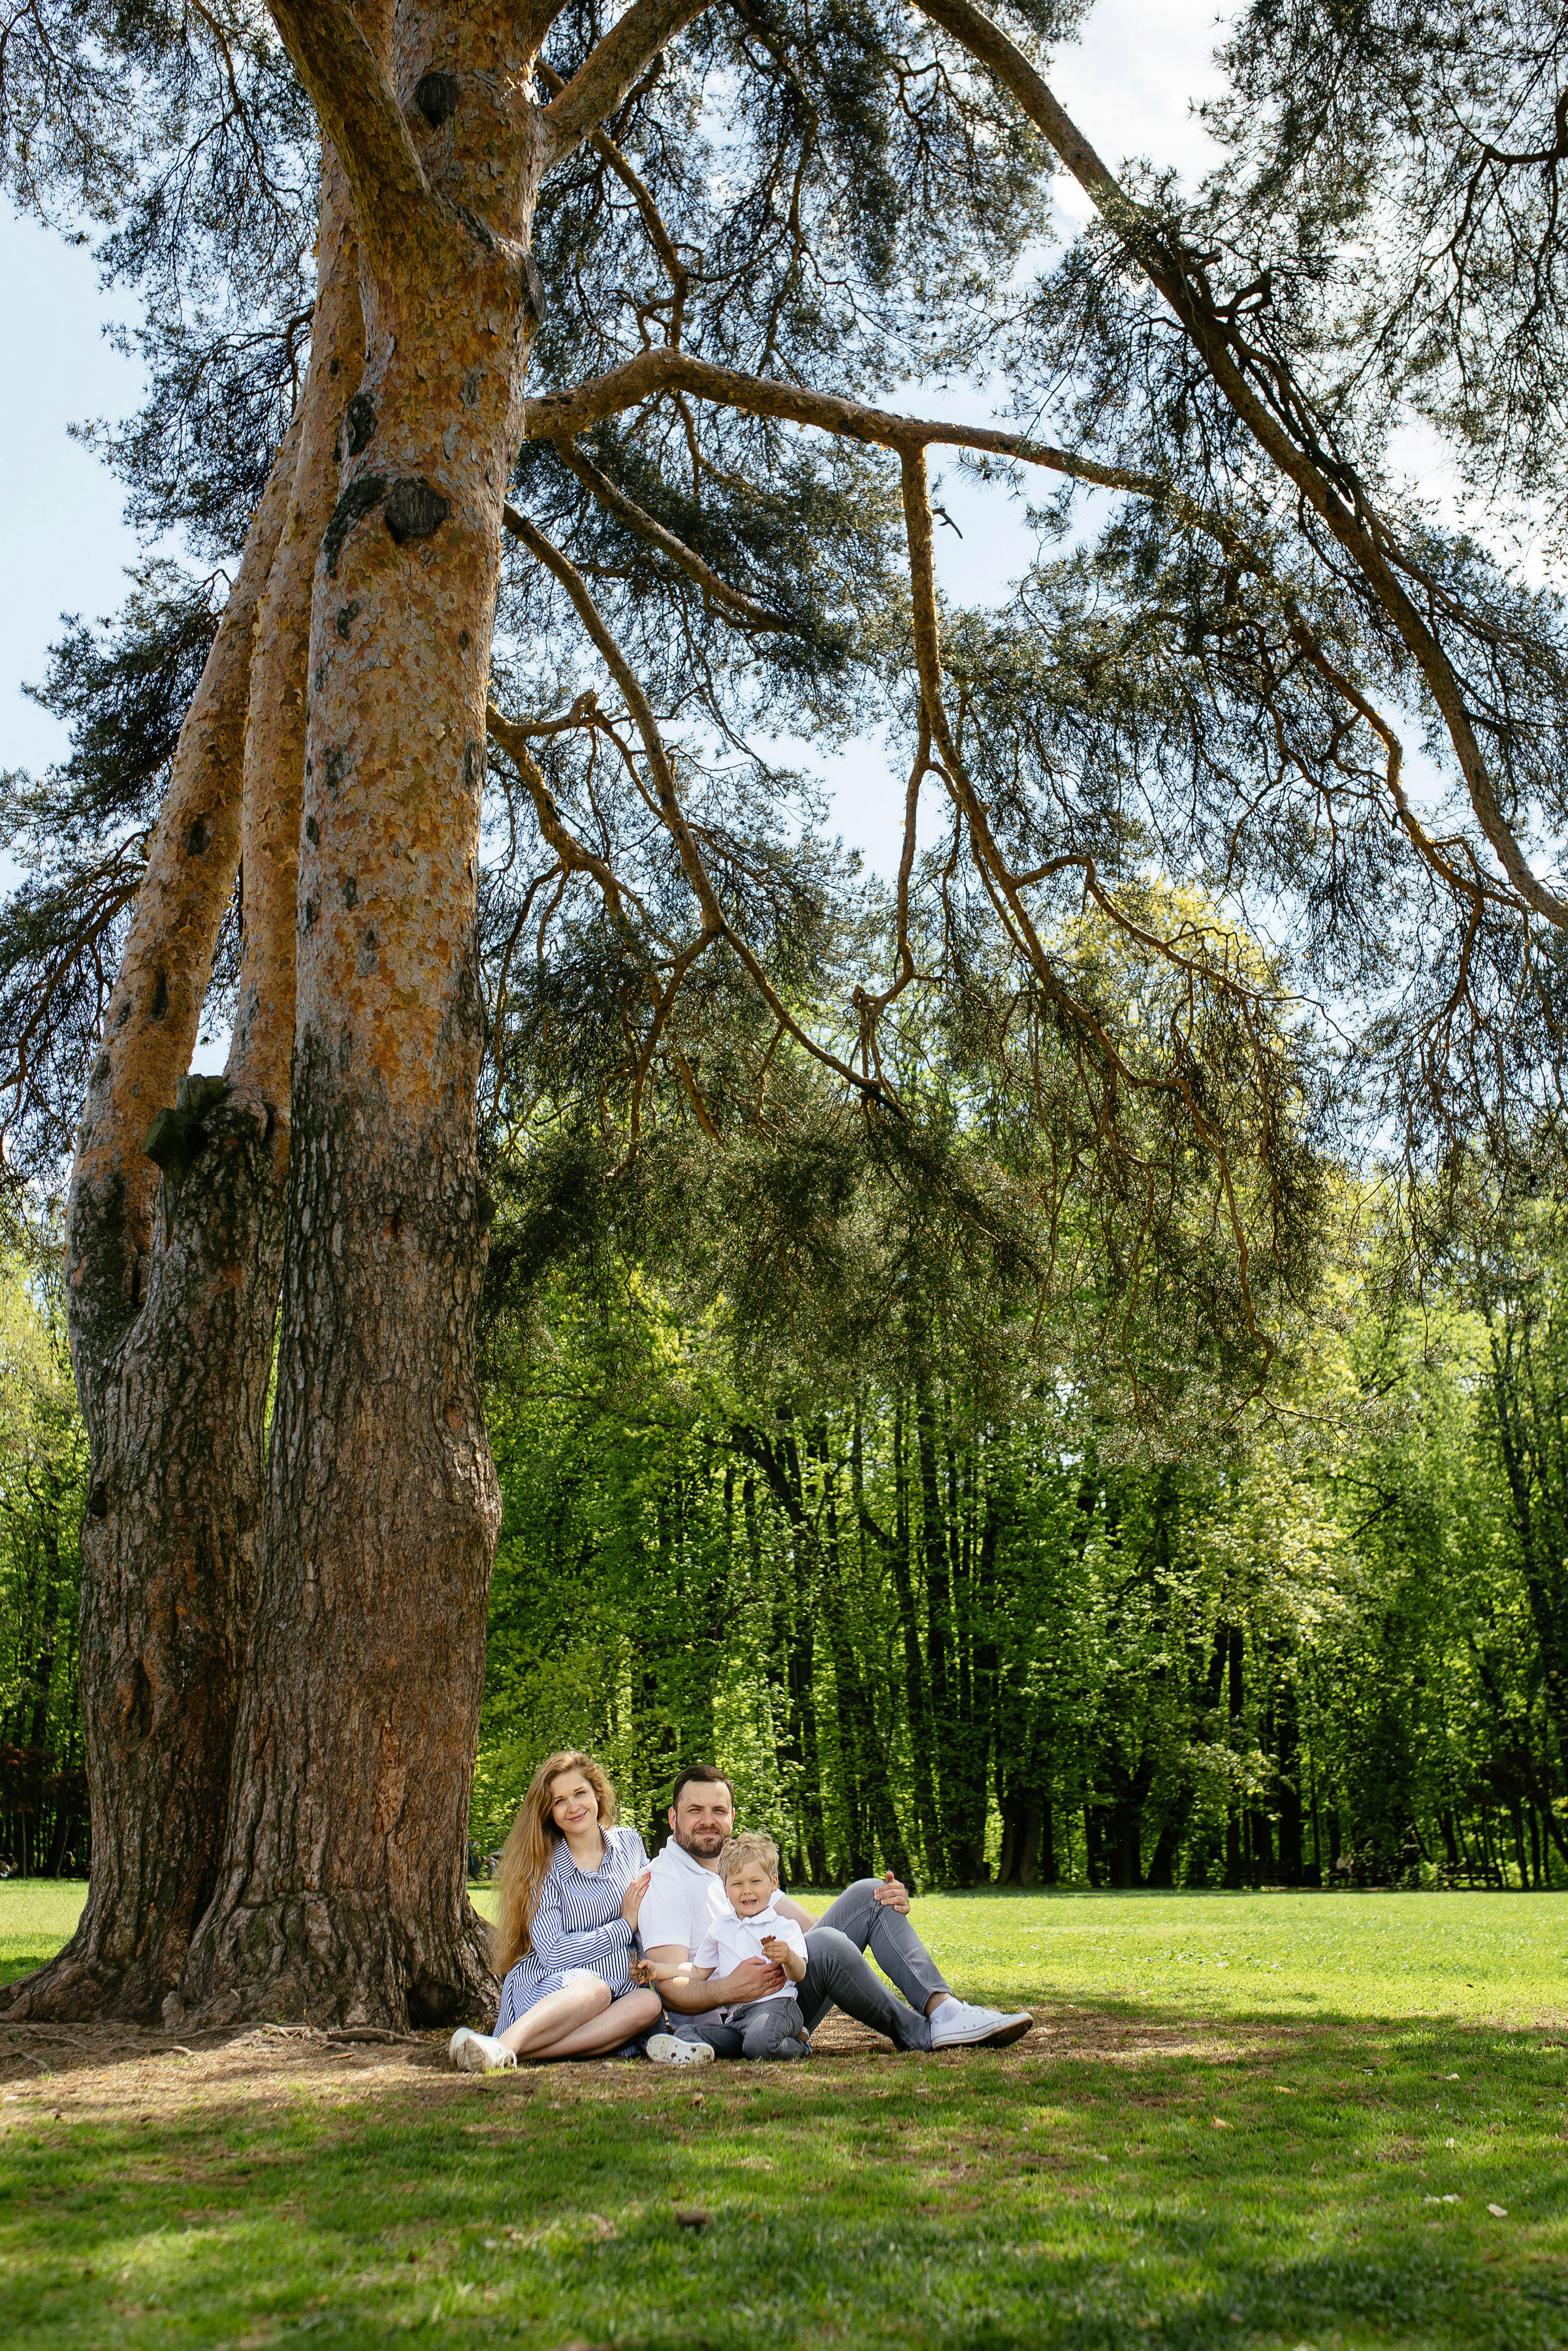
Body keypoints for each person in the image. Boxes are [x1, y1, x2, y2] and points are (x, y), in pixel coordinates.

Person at [637, 1764, 1032, 2064]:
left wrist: (886, 1906)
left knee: (868, 1894)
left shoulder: (736, 1874)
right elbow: (673, 1992)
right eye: (695, 1810)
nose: (708, 1821)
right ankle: (920, 2033)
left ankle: (944, 2010)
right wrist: (731, 1989)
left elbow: (817, 1932)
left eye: (718, 1810)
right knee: (828, 1941)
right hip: (731, 2020)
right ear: (673, 1819)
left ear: (732, 1816)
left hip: (783, 1990)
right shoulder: (666, 1881)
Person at [449, 1748, 663, 2072]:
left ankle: (509, 2050)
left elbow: (655, 1908)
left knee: (648, 2003)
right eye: (559, 1801)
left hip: (618, 1991)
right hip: (553, 1988)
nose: (573, 1806)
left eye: (580, 1793)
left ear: (598, 1795)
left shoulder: (629, 1843)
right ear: (549, 1812)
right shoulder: (543, 1867)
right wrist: (623, 1926)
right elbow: (553, 1953)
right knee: (594, 1990)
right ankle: (509, 2041)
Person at [638, 1831, 811, 2061]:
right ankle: (735, 2045)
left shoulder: (782, 1926)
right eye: (737, 1884)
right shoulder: (721, 1928)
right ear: (726, 1890)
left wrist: (789, 1957)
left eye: (755, 1882)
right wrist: (659, 1970)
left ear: (773, 1884)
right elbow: (699, 1971)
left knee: (761, 2045)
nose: (747, 1890)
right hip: (737, 2017)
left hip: (776, 2007)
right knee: (685, 2033)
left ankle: (799, 2045)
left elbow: (799, 1974)